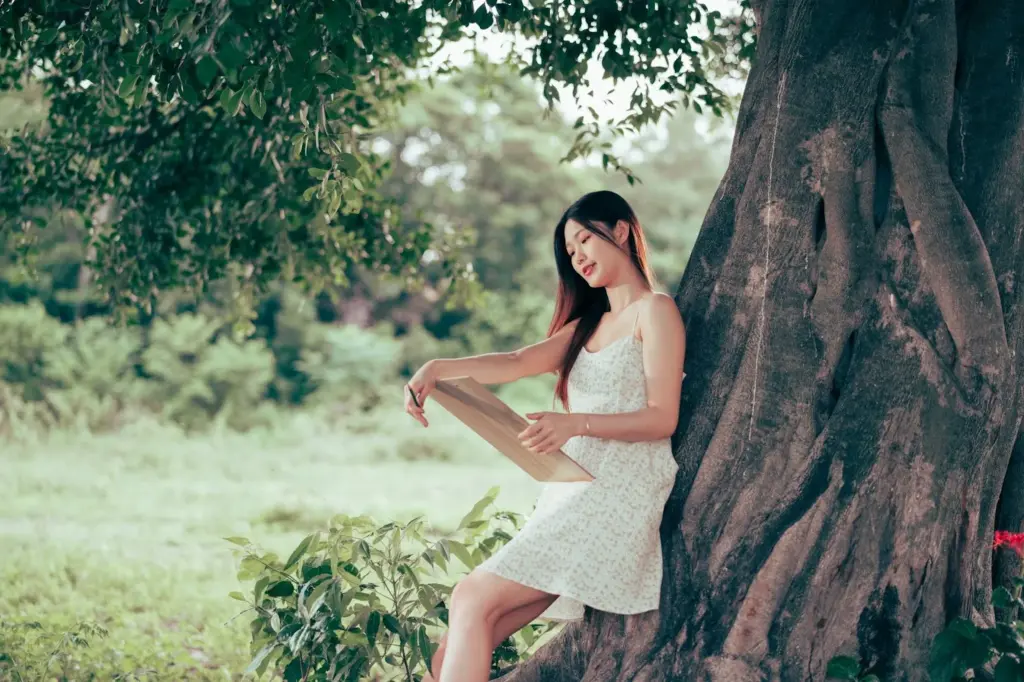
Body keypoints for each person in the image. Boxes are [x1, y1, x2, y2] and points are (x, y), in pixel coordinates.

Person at [404, 190, 687, 682]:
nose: (578, 258)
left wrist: (574, 424)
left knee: (471, 596)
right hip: (568, 493)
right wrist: (436, 368)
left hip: (616, 496)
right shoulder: (587, 325)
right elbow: (515, 362)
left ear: (620, 230)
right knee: (456, 643)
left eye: (584, 240)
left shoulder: (655, 311)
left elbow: (662, 418)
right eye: (570, 252)